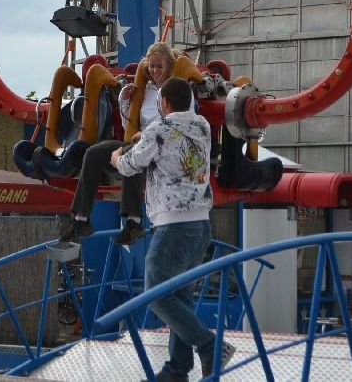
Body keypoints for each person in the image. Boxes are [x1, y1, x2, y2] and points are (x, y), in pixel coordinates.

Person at [110, 77, 234, 381]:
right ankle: (177, 369)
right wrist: (147, 135)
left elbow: (130, 165)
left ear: (163, 102)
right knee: (180, 297)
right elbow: (175, 140)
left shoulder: (159, 129)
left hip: (172, 226)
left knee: (156, 295)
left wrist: (116, 157)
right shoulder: (202, 126)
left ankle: (210, 346)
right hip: (201, 224)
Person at [60, 41, 179, 245]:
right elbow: (128, 126)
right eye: (152, 66)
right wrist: (124, 100)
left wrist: (147, 134)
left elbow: (177, 124)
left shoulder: (176, 90)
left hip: (160, 147)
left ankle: (134, 222)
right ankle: (81, 219)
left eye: (159, 66)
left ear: (168, 65)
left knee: (132, 155)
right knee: (94, 153)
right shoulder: (147, 91)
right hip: (138, 142)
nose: (155, 70)